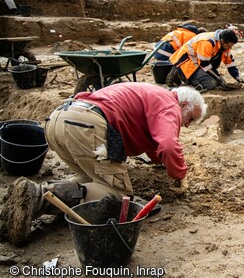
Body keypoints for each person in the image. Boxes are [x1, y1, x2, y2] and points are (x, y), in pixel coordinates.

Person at [0, 83, 206, 246]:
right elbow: (169, 145)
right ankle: (38, 195)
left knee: (91, 181)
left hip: (59, 120)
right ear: (182, 105)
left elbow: (155, 145)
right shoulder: (169, 105)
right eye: (191, 119)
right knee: (118, 196)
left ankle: (34, 201)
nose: (187, 125)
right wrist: (179, 174)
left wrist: (160, 162)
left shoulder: (152, 94)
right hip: (85, 126)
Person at [166, 28, 244, 91]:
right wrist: (219, 78)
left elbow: (229, 62)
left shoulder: (224, 45)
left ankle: (186, 75)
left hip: (199, 62)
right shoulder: (207, 42)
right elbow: (204, 64)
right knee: (210, 84)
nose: (230, 48)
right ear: (222, 41)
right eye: (229, 46)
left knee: (216, 83)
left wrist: (237, 77)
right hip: (186, 62)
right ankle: (178, 73)